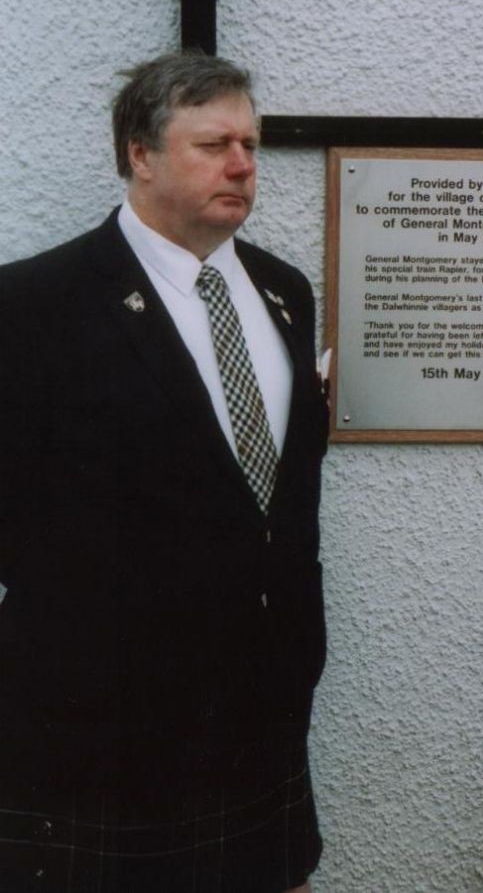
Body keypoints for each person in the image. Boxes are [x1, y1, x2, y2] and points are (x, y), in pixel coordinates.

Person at [0, 51, 329, 893]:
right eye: (212, 143)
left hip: (263, 702)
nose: (243, 165)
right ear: (139, 155)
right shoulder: (34, 305)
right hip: (101, 725)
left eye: (250, 144)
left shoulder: (285, 293)